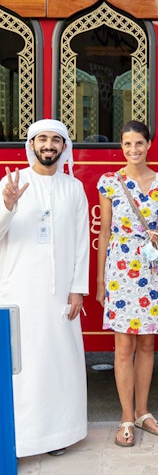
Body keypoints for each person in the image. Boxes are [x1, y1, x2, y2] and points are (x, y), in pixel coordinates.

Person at [0, 119, 89, 457]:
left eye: (56, 140)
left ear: (64, 147)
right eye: (42, 140)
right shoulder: (12, 183)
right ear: (32, 145)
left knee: (58, 362)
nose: (49, 145)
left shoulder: (74, 188)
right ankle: (18, 442)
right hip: (18, 289)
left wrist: (77, 288)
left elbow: (82, 242)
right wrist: (7, 205)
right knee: (22, 367)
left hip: (60, 295)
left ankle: (57, 435)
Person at [96, 120, 158, 447]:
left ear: (148, 145)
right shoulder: (110, 182)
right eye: (127, 144)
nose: (133, 150)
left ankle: (144, 413)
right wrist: (101, 280)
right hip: (119, 269)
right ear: (122, 146)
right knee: (123, 347)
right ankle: (126, 418)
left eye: (139, 144)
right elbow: (104, 232)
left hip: (151, 269)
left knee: (147, 345)